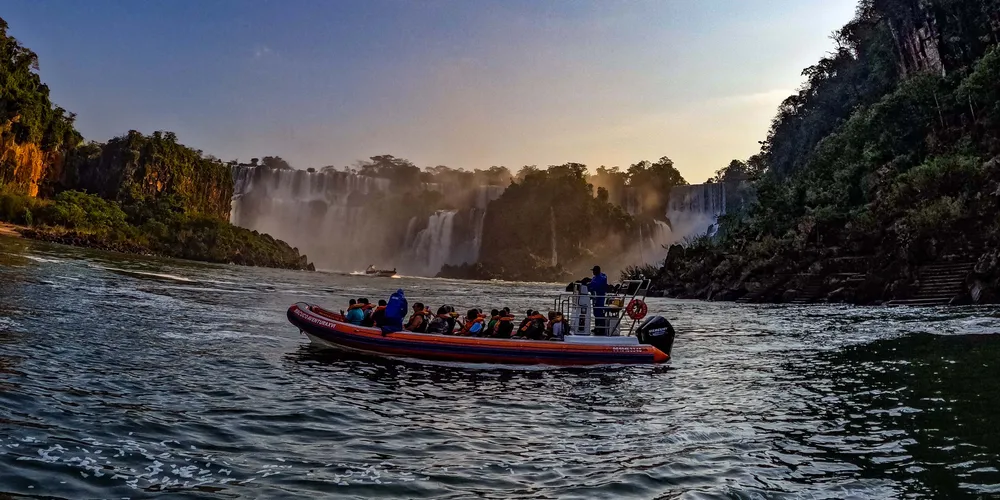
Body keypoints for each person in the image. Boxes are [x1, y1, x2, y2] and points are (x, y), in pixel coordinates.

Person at [589, 265, 608, 335]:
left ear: (597, 271)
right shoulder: (600, 277)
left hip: (599, 297)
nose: (593, 272)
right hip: (596, 297)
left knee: (599, 312)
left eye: (594, 271)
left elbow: (594, 286)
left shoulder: (599, 278)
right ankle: (597, 327)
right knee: (596, 312)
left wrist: (590, 286)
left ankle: (601, 328)